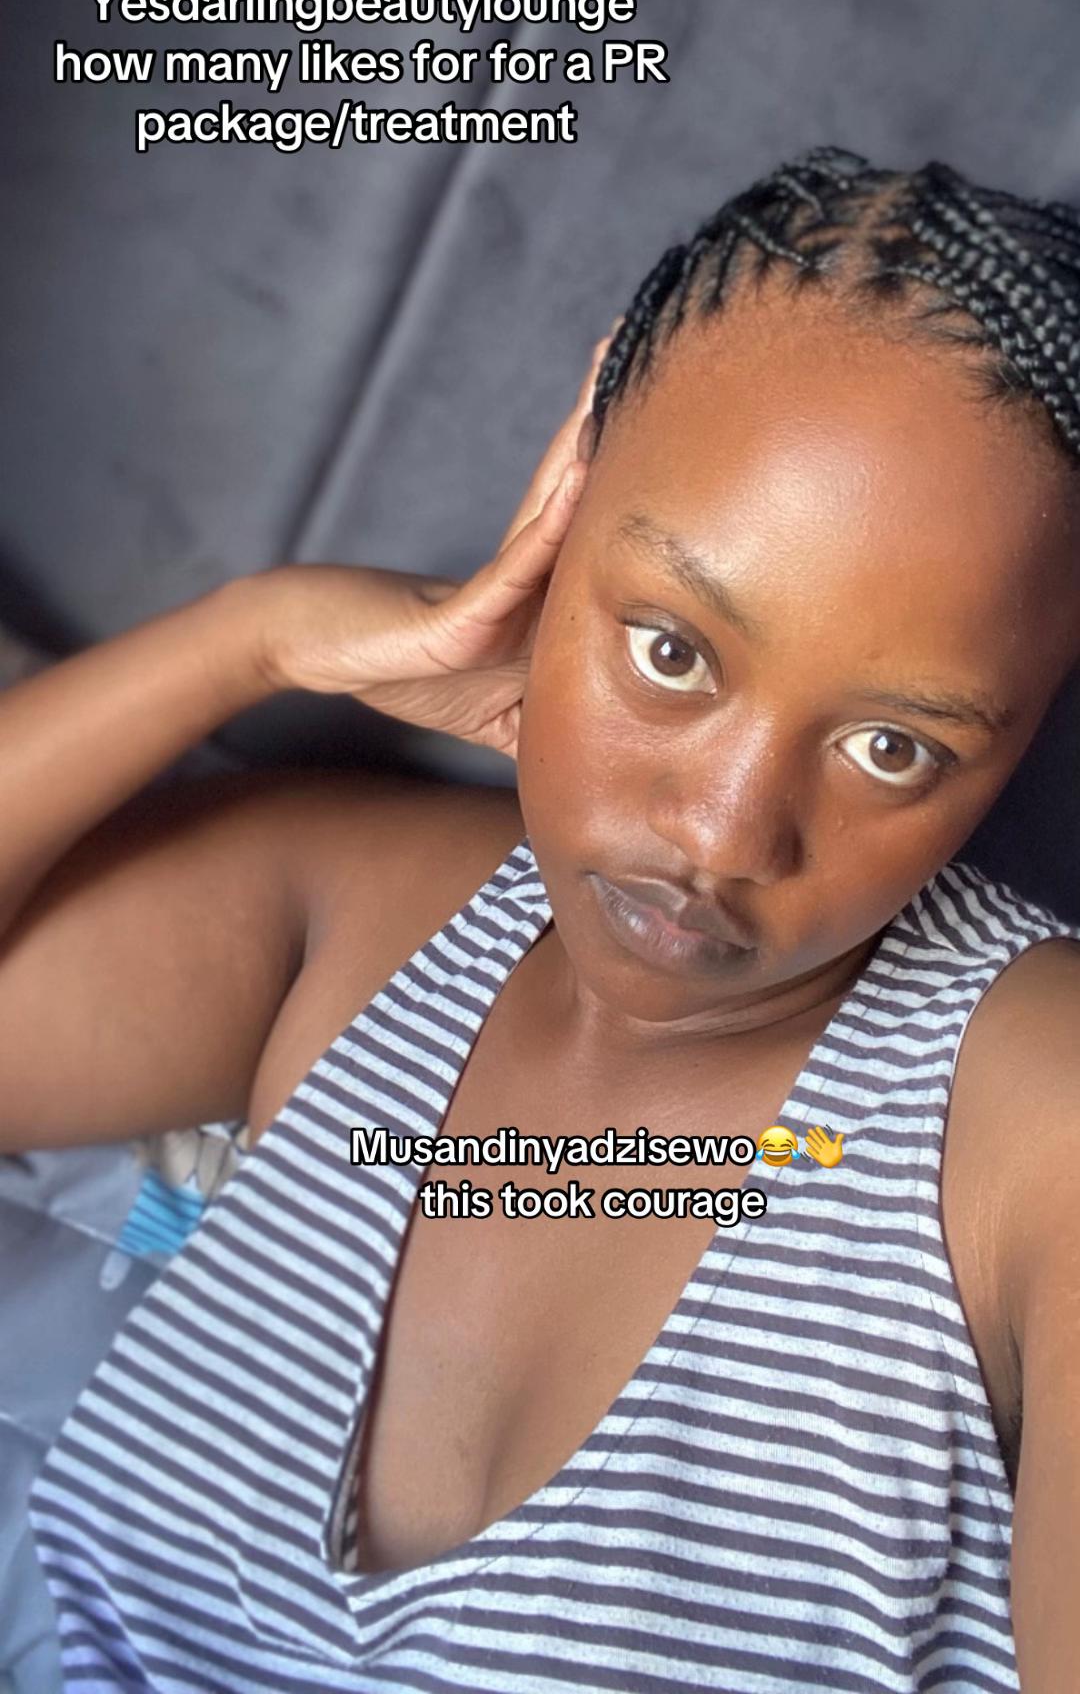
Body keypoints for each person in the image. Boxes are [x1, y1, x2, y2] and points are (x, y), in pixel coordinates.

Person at [8, 142, 1080, 1690]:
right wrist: (259, 637)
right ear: (571, 490)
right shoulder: (370, 922)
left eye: (894, 749)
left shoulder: (1036, 1124)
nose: (721, 835)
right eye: (671, 651)